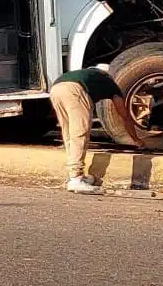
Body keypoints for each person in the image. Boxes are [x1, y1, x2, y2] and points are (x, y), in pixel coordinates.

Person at [48, 63, 126, 194]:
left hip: (55, 89)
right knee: (80, 133)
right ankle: (76, 179)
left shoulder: (84, 74)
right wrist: (136, 139)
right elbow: (124, 114)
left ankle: (73, 174)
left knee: (68, 134)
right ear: (108, 74)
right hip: (76, 91)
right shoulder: (106, 79)